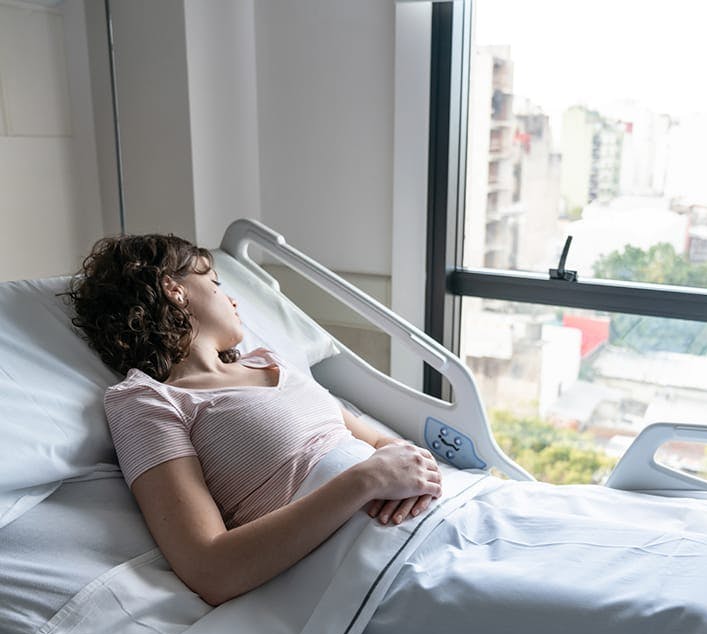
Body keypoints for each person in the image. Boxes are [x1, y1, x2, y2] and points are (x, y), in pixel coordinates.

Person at [67, 233, 442, 606]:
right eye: (214, 283)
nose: (232, 299)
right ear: (174, 290)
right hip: (372, 563)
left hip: (432, 516)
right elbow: (209, 568)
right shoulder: (146, 401)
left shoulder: (268, 361)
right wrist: (367, 480)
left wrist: (419, 470)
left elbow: (380, 445)